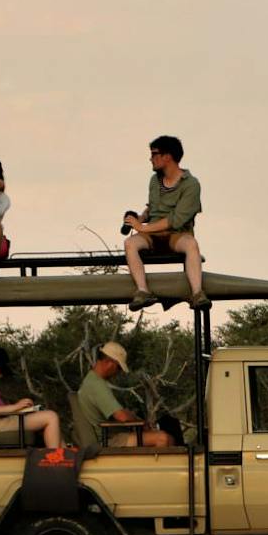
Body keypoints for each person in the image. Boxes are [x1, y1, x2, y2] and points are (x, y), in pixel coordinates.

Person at [123, 135, 206, 312]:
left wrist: (142, 227)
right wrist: (140, 219)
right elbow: (152, 208)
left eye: (154, 154)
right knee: (130, 243)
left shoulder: (191, 184)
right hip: (152, 235)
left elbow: (176, 220)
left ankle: (197, 293)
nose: (150, 158)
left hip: (177, 235)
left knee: (191, 245)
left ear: (167, 156)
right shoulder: (154, 180)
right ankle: (143, 291)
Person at [0, 346, 65, 451]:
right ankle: (55, 459)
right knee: (51, 417)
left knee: (48, 415)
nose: (0, 375)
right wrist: (15, 407)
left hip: (0, 420)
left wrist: (20, 408)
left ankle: (65, 453)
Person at [72, 341, 163, 449]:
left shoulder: (92, 380)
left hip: (111, 435)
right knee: (163, 438)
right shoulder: (97, 385)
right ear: (110, 363)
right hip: (109, 439)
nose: (118, 372)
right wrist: (141, 423)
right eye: (119, 368)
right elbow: (122, 417)